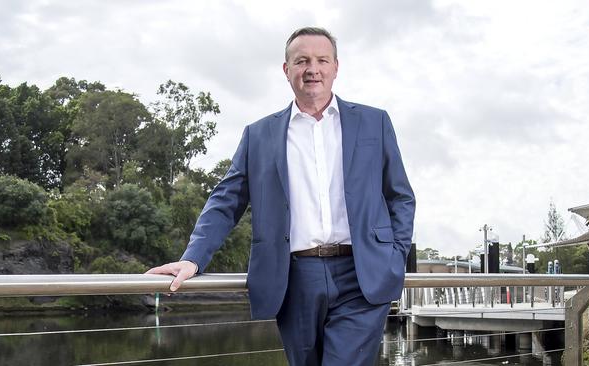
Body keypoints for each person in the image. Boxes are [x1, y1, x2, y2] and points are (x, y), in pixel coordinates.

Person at [146, 26, 415, 366]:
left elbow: (400, 196)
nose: (312, 69)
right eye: (302, 61)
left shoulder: (374, 123)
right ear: (286, 70)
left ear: (336, 67)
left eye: (321, 60)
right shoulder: (259, 135)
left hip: (362, 275)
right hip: (294, 278)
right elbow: (225, 201)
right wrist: (193, 258)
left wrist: (395, 254)